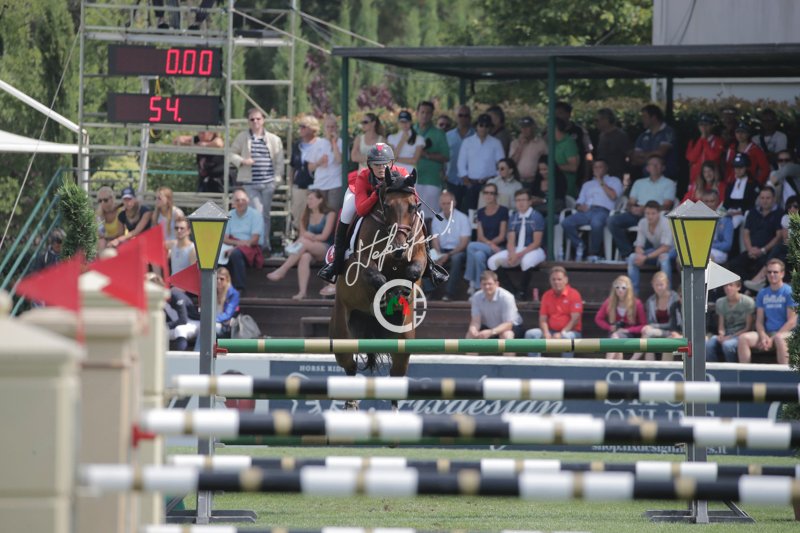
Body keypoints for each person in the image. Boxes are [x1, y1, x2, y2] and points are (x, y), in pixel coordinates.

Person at [317, 143, 448, 286]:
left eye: (384, 164)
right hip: (362, 195)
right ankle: (335, 264)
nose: (381, 168)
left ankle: (430, 265)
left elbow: (414, 199)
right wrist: (376, 193)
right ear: (369, 165)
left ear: (391, 163)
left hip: (390, 204)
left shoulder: (402, 172)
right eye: (376, 164)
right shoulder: (363, 177)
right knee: (347, 213)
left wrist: (405, 189)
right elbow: (361, 210)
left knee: (418, 216)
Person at [230, 107, 284, 254]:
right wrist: (242, 161)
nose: (255, 122)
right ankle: (258, 245)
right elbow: (231, 153)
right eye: (252, 119)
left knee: (265, 214)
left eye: (258, 119)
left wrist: (276, 180)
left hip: (268, 182)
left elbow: (280, 162)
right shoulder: (243, 137)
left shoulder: (274, 139)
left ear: (263, 120)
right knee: (257, 213)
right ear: (248, 121)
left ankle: (265, 245)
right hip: (250, 183)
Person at [267, 190, 335, 300]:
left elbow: (324, 236)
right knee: (304, 257)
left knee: (304, 241)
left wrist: (310, 236)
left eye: (311, 199)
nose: (308, 201)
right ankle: (302, 292)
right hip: (307, 248)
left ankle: (283, 269)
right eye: (307, 199)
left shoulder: (330, 214)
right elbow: (302, 234)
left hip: (325, 248)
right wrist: (309, 237)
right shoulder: (306, 214)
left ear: (320, 200)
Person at [606, 155, 675, 260]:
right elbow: (630, 202)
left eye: (657, 164)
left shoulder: (669, 183)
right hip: (637, 213)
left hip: (656, 215)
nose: (654, 167)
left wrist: (645, 210)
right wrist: (632, 209)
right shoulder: (639, 183)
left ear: (663, 168)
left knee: (649, 220)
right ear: (647, 168)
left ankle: (646, 256)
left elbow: (667, 205)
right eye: (651, 164)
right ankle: (628, 254)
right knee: (612, 221)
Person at [488, 189, 546, 301]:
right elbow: (511, 240)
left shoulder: (536, 216)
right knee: (492, 262)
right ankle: (512, 291)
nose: (520, 203)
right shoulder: (514, 217)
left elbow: (536, 242)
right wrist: (511, 253)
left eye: (523, 200)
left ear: (530, 202)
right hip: (517, 249)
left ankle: (522, 292)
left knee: (526, 262)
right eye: (518, 200)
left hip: (534, 249)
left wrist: (518, 255)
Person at [561, 159, 623, 262]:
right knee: (566, 222)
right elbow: (579, 202)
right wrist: (579, 207)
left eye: (600, 167)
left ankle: (594, 253)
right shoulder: (587, 184)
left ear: (606, 169)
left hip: (604, 211)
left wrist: (600, 181)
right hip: (587, 211)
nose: (597, 169)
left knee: (596, 223)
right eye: (595, 167)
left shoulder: (614, 181)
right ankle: (580, 246)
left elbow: (613, 196)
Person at [737, 259, 795, 365]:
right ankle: (744, 373)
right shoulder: (762, 293)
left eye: (775, 272)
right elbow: (759, 321)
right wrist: (763, 336)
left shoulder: (789, 292)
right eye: (769, 272)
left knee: (779, 338)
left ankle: (785, 373)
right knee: (743, 338)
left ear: (782, 274)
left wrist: (773, 338)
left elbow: (792, 321)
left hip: (787, 333)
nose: (772, 275)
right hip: (767, 333)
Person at [524, 266, 583, 357]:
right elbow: (543, 318)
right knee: (530, 334)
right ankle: (535, 364)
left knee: (566, 338)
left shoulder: (574, 294)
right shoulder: (546, 295)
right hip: (551, 331)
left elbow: (575, 319)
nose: (556, 282)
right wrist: (546, 332)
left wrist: (562, 333)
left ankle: (566, 364)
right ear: (550, 281)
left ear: (566, 280)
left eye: (559, 279)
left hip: (571, 332)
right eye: (553, 279)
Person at [727, 187, 781, 283]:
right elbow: (746, 233)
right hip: (751, 251)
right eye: (762, 198)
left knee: (762, 265)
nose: (765, 201)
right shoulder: (752, 212)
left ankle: (752, 288)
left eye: (768, 198)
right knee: (734, 264)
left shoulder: (779, 213)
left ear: (774, 199)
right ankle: (745, 286)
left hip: (768, 252)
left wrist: (763, 250)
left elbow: (778, 236)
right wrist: (750, 249)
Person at [744, 195, 797, 292]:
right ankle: (758, 283)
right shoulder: (786, 218)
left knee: (778, 248)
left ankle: (758, 280)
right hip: (789, 248)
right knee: (779, 255)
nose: (792, 209)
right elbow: (786, 239)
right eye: (789, 207)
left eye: (795, 206)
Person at [464, 183, 508, 296]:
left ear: (496, 195)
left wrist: (492, 245)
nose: (489, 195)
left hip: (499, 248)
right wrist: (490, 244)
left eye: (492, 193)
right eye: (486, 193)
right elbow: (480, 236)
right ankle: (479, 287)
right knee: (478, 255)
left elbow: (502, 236)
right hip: (486, 247)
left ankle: (471, 280)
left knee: (471, 245)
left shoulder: (503, 211)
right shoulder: (480, 212)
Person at [457, 113, 505, 212]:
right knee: (471, 212)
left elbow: (501, 164)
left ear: (490, 128)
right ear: (476, 126)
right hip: (471, 184)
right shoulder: (467, 142)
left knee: (487, 211)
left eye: (486, 126)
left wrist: (495, 179)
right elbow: (461, 163)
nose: (483, 128)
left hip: (490, 183)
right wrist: (466, 182)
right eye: (481, 125)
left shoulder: (496, 143)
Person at [429, 191, 471, 301]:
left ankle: (449, 293)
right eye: (444, 203)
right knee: (428, 257)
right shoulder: (436, 218)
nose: (446, 206)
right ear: (440, 204)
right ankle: (428, 291)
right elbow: (435, 240)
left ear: (455, 203)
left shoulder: (463, 218)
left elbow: (464, 243)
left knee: (456, 259)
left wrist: (448, 255)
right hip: (441, 250)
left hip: (458, 251)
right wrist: (438, 254)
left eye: (449, 203)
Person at [627, 200, 674, 295]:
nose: (650, 216)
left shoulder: (666, 222)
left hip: (673, 251)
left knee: (664, 258)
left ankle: (667, 294)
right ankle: (633, 295)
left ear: (659, 213)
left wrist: (646, 257)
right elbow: (638, 245)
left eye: (653, 213)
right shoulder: (642, 222)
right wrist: (640, 254)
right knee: (632, 257)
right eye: (647, 213)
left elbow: (666, 248)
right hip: (657, 251)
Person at [414, 101, 450, 223]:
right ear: (417, 113)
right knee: (412, 216)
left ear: (432, 115)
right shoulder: (410, 131)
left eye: (428, 113)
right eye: (422, 112)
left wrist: (426, 154)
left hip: (431, 180)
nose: (425, 115)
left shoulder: (439, 133)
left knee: (429, 217)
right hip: (412, 179)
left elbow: (446, 157)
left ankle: (430, 237)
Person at [222, 188, 264, 293]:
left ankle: (239, 287)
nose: (240, 202)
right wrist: (237, 244)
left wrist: (237, 247)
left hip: (250, 247)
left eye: (243, 200)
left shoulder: (256, 215)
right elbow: (224, 238)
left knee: (235, 254)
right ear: (233, 203)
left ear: (248, 200)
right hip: (233, 245)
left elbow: (254, 240)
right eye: (237, 200)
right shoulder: (229, 215)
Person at [594, 275, 646, 360]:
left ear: (628, 289)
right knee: (615, 340)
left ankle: (606, 363)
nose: (620, 290)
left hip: (630, 334)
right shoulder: (610, 301)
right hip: (614, 333)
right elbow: (598, 318)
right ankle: (615, 365)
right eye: (617, 287)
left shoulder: (636, 303)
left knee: (615, 338)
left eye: (623, 288)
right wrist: (609, 327)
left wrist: (627, 330)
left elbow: (643, 325)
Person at [634, 272, 682, 361]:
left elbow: (672, 324)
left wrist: (652, 326)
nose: (659, 287)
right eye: (656, 285)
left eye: (661, 285)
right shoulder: (650, 301)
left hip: (673, 330)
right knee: (648, 339)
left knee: (648, 333)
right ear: (652, 285)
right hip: (657, 332)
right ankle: (650, 366)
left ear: (667, 284)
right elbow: (650, 321)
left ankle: (632, 360)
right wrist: (651, 327)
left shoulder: (675, 297)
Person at [466, 270, 525, 342]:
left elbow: (508, 324)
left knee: (506, 335)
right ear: (480, 285)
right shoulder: (476, 297)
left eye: (489, 284)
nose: (487, 287)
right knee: (470, 335)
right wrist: (473, 329)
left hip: (512, 327)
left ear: (497, 284)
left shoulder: (507, 297)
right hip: (489, 328)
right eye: (484, 284)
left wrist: (491, 332)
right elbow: (476, 321)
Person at [706, 280, 755, 363]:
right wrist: (721, 334)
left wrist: (730, 337)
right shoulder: (720, 302)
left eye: (731, 285)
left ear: (738, 287)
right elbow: (721, 325)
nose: (728, 288)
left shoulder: (748, 302)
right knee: (708, 345)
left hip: (740, 334)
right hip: (726, 333)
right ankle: (713, 367)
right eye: (726, 285)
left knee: (727, 345)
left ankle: (731, 367)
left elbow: (748, 327)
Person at [288, 115, 322, 232]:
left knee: (316, 214)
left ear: (313, 128)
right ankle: (300, 237)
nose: (300, 129)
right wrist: (291, 185)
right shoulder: (297, 145)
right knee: (298, 214)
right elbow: (292, 166)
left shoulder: (321, 144)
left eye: (303, 126)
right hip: (299, 186)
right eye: (300, 126)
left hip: (317, 186)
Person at [630, 104, 677, 180]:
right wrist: (654, 160)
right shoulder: (642, 136)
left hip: (666, 179)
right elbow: (634, 159)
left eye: (644, 116)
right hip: (646, 179)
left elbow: (660, 153)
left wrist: (642, 155)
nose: (642, 119)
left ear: (654, 117)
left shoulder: (668, 132)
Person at [308, 114, 343, 210]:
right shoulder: (318, 143)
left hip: (335, 184)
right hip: (320, 184)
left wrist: (334, 143)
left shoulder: (341, 142)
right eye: (328, 127)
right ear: (324, 128)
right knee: (320, 211)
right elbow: (310, 167)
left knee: (333, 211)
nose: (330, 129)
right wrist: (319, 162)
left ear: (336, 128)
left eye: (333, 127)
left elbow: (339, 160)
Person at [445, 105, 475, 209]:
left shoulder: (476, 135)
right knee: (451, 210)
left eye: (466, 115)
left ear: (470, 117)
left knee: (470, 210)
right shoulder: (448, 136)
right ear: (456, 117)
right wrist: (443, 173)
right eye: (460, 115)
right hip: (452, 179)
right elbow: (444, 156)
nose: (463, 118)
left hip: (471, 180)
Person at [723, 121, 769, 186]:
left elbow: (765, 169)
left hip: (748, 184)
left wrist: (757, 183)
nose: (740, 134)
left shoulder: (755, 149)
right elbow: (728, 167)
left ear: (748, 133)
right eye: (737, 132)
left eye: (743, 132)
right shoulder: (731, 148)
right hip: (731, 183)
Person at [556, 101, 593, 181]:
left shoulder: (579, 131)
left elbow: (588, 153)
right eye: (555, 114)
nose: (557, 116)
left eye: (560, 113)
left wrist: (586, 176)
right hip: (558, 177)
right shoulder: (549, 132)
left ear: (568, 114)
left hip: (578, 175)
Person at [722, 152, 760, 229]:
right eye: (736, 167)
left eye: (741, 167)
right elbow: (726, 204)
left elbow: (753, 205)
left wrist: (738, 212)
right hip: (729, 213)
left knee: (734, 222)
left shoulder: (753, 185)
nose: (738, 170)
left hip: (744, 215)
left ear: (746, 167)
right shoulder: (731, 184)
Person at [685, 114, 724, 187]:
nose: (703, 127)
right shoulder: (693, 141)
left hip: (712, 180)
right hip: (695, 180)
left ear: (712, 126)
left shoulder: (718, 140)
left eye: (706, 125)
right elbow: (691, 158)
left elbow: (713, 157)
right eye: (701, 125)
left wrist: (704, 141)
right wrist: (701, 140)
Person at [595, 107, 631, 180]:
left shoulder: (620, 136)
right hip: (601, 174)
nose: (596, 123)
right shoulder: (601, 136)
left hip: (615, 175)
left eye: (598, 120)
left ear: (606, 120)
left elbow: (628, 154)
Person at [509, 116, 547, 183]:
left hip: (534, 181)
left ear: (533, 127)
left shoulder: (541, 143)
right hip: (517, 180)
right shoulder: (514, 143)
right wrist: (520, 146)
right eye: (522, 127)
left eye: (527, 127)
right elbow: (511, 163)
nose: (524, 130)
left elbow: (547, 162)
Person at [701, 190, 733, 264]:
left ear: (717, 202)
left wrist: (709, 245)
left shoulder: (725, 218)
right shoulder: (697, 217)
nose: (709, 204)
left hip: (718, 251)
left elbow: (727, 245)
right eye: (706, 201)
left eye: (712, 201)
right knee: (680, 259)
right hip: (700, 249)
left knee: (705, 259)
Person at [388, 110, 425, 174]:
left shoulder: (419, 139)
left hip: (409, 174)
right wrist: (402, 140)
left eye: (406, 121)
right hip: (394, 174)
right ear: (398, 122)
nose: (404, 124)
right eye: (402, 122)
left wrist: (396, 159)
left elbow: (414, 160)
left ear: (411, 122)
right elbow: (390, 159)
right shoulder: (391, 137)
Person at [553, 117, 580, 199]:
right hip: (556, 186)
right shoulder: (553, 142)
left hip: (567, 188)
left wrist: (554, 167)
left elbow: (573, 167)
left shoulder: (569, 143)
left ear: (555, 128)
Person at [214, 266, 240, 338]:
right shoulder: (212, 292)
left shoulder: (233, 294)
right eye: (216, 278)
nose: (218, 281)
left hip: (224, 324)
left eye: (222, 279)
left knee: (207, 327)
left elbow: (228, 314)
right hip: (213, 322)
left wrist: (212, 320)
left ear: (227, 280)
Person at [95, 186, 123, 251]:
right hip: (106, 242)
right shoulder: (99, 213)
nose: (102, 203)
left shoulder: (120, 211)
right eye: (100, 201)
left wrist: (106, 238)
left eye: (105, 200)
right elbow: (99, 234)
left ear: (112, 199)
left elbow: (120, 234)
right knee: (101, 242)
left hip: (119, 240)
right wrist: (100, 216)